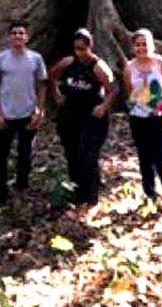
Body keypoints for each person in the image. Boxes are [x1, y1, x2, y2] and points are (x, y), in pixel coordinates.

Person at [48, 28, 118, 205]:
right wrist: (56, 93)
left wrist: (104, 106)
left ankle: (91, 197)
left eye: (83, 49)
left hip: (91, 118)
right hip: (70, 115)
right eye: (77, 48)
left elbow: (113, 89)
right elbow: (52, 76)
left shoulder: (98, 66)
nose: (80, 53)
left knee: (87, 155)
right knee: (72, 154)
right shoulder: (68, 63)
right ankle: (77, 192)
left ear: (90, 47)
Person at [0, 21, 48, 205]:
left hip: (28, 114)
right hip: (6, 115)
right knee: (0, 155)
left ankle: (22, 187)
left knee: (25, 153)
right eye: (14, 33)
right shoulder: (1, 58)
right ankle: (0, 194)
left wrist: (40, 111)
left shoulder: (35, 58)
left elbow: (42, 84)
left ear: (27, 37)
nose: (18, 36)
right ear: (9, 37)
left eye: (21, 33)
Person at [123, 28, 162, 209]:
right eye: (138, 45)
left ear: (152, 45)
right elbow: (129, 90)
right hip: (138, 118)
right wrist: (141, 106)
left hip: (160, 117)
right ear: (133, 47)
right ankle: (150, 197)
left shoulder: (161, 63)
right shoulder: (129, 67)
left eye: (145, 44)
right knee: (145, 157)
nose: (141, 48)